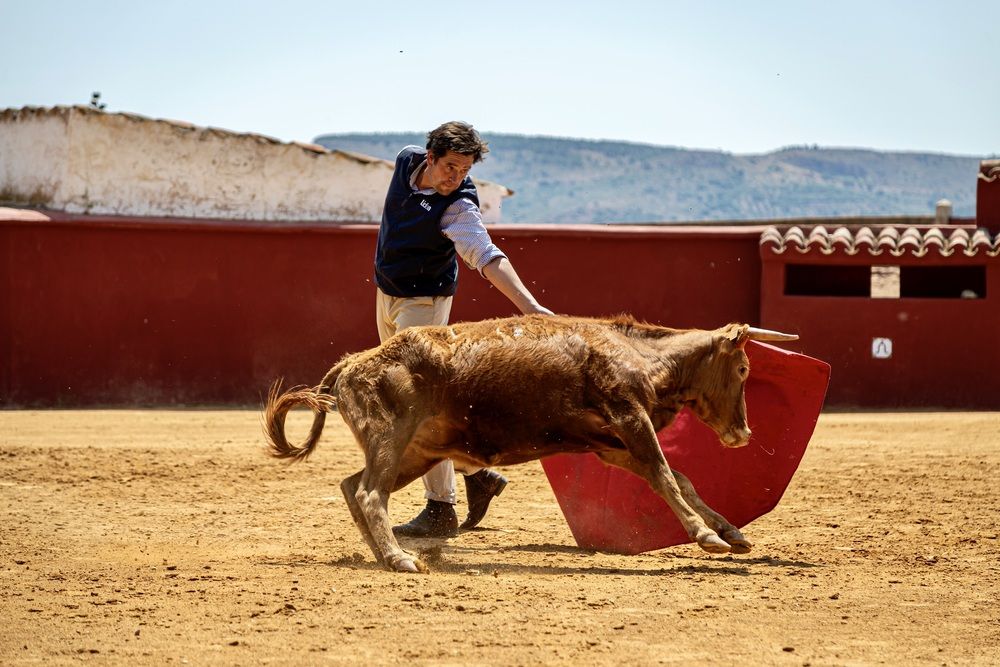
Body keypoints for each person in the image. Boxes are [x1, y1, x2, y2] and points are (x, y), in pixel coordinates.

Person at [374, 121, 552, 538]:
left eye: (466, 170)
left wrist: (529, 305)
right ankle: (477, 474)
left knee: (414, 405)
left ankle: (440, 509)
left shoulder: (458, 207)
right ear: (429, 157)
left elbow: (485, 255)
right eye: (451, 167)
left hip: (424, 305)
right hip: (386, 295)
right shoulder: (406, 160)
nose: (457, 177)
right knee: (424, 403)